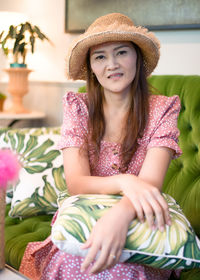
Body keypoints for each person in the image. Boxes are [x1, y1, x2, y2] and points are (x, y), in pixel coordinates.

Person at [20, 13, 182, 280]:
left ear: (138, 58)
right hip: (83, 220)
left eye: (121, 52)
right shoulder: (78, 107)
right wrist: (127, 181)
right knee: (75, 261)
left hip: (140, 220)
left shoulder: (163, 108)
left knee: (122, 269)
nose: (112, 65)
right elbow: (77, 182)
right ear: (91, 67)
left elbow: (150, 183)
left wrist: (120, 215)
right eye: (100, 57)